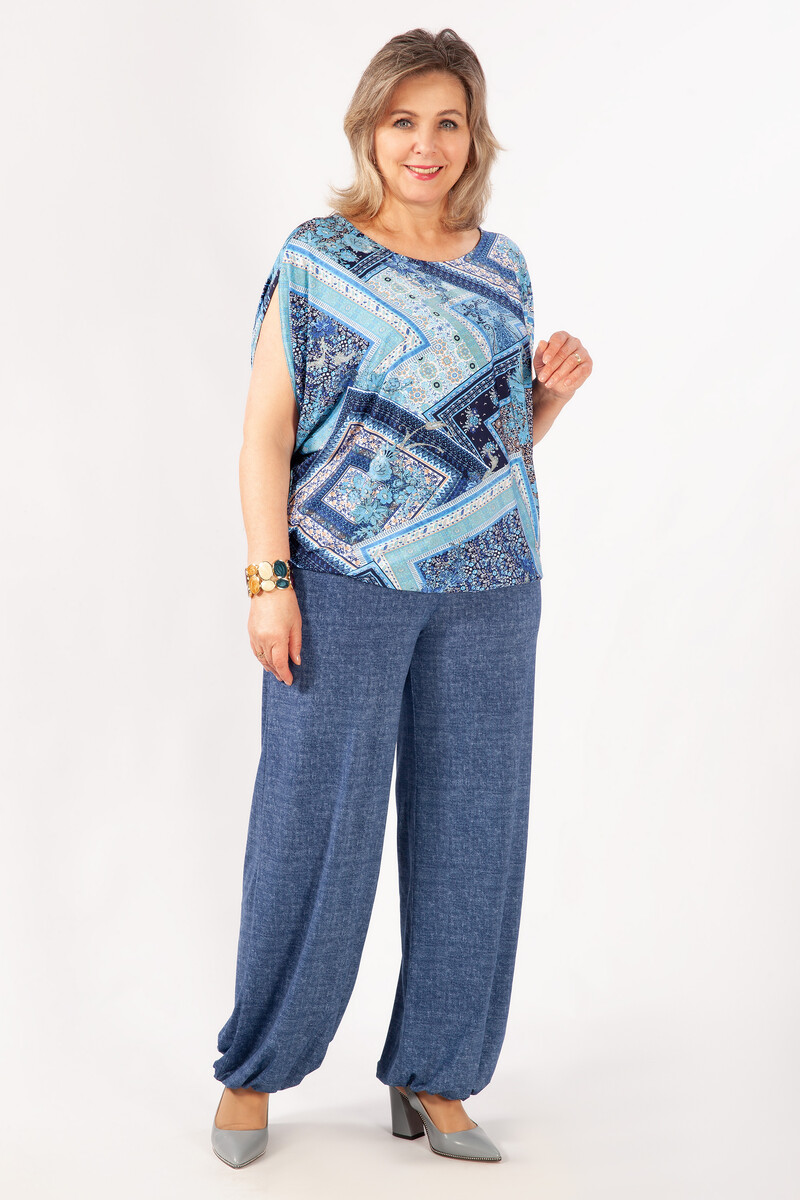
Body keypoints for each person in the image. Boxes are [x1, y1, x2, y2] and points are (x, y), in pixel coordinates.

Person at [210, 26, 592, 1169]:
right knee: (311, 829)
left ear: (473, 136)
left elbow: (484, 446)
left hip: (491, 584)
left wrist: (548, 404)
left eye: (446, 122)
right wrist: (268, 582)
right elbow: (264, 434)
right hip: (343, 580)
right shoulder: (319, 257)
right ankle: (253, 1072)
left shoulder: (501, 266)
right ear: (367, 132)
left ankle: (435, 1074)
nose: (424, 144)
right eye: (402, 121)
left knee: (474, 830)